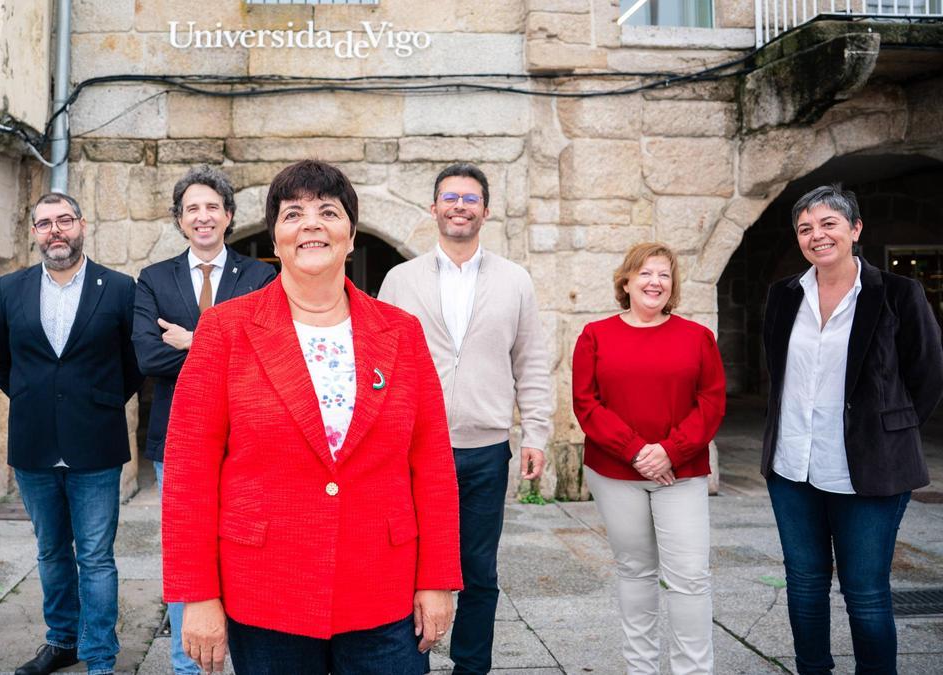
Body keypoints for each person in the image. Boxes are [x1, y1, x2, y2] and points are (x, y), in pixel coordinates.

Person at [163, 160, 461, 674]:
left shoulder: (401, 332)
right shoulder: (225, 330)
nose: (311, 225)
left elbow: (432, 463)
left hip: (383, 591)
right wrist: (198, 595)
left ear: (351, 235)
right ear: (275, 240)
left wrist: (437, 580)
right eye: (293, 214)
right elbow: (190, 471)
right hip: (266, 592)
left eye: (328, 212)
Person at [378, 162, 552, 674]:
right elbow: (378, 363)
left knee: (478, 571)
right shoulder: (400, 280)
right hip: (413, 449)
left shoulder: (514, 280)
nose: (460, 206)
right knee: (408, 568)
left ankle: (472, 668)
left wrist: (535, 432)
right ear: (433, 208)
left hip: (484, 451)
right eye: (450, 197)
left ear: (485, 211)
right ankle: (409, 664)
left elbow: (531, 361)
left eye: (470, 198)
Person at [761, 184, 943, 674]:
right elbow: (779, 373)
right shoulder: (783, 296)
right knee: (804, 585)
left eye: (828, 224)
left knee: (865, 593)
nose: (817, 235)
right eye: (805, 228)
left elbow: (928, 373)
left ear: (855, 229)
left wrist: (888, 432)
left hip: (870, 470)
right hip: (792, 467)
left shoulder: (898, 293)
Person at [0, 192, 140, 675]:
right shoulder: (11, 288)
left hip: (96, 442)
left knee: (95, 556)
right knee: (51, 551)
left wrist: (97, 401)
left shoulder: (119, 288)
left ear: (82, 225)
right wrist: (35, 399)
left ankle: (100, 656)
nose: (56, 230)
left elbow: (134, 363)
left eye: (65, 220)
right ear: (34, 232)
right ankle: (62, 641)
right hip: (33, 444)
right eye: (45, 222)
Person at [132, 165, 276, 674]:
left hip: (250, 439)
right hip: (178, 438)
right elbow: (148, 357)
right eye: (192, 208)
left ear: (229, 215)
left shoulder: (261, 277)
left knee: (249, 552)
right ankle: (187, 665)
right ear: (180, 219)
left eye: (212, 206)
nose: (203, 216)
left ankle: (249, 656)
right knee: (186, 553)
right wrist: (228, 348)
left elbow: (266, 353)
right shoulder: (153, 279)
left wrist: (193, 341)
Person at [571, 242, 725, 674]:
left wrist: (670, 452)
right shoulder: (595, 335)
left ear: (672, 285)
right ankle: (641, 669)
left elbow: (711, 403)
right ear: (626, 281)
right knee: (635, 571)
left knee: (689, 577)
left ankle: (693, 671)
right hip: (615, 474)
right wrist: (636, 451)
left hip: (682, 473)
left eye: (664, 274)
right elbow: (586, 404)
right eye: (645, 273)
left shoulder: (697, 337)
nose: (655, 282)